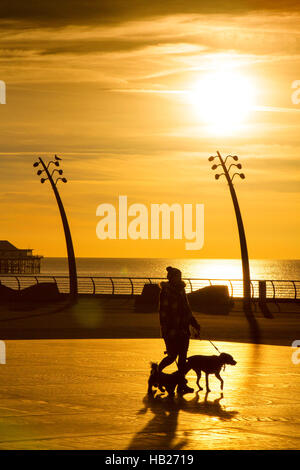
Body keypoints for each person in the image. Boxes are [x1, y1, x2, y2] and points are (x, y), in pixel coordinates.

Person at [158, 266, 201, 395]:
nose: (179, 279)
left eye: (180, 276)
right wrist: (167, 330)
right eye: (177, 277)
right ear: (171, 278)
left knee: (182, 359)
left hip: (183, 330)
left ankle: (181, 385)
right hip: (171, 330)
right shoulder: (166, 292)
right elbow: (163, 313)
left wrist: (194, 323)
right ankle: (157, 374)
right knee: (172, 357)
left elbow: (187, 309)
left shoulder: (181, 290)